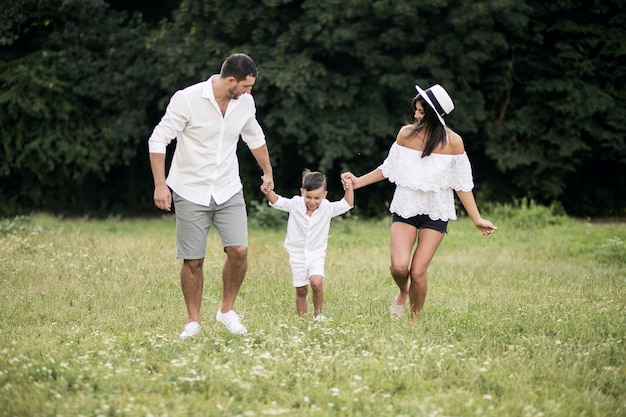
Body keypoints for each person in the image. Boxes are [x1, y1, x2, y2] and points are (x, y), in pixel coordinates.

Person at [342, 84, 496, 323]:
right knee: (399, 267)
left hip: (435, 212)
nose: (415, 115)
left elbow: (463, 184)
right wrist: (357, 182)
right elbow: (388, 168)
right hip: (406, 206)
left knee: (418, 271)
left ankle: (414, 320)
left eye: (421, 112)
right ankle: (403, 291)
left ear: (435, 115)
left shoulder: (454, 143)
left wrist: (477, 219)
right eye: (416, 110)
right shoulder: (406, 134)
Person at [148, 53, 274, 338]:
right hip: (191, 188)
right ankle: (193, 321)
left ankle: (226, 311)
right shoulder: (187, 99)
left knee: (239, 251)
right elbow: (158, 139)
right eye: (246, 86)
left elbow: (254, 137)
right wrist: (160, 184)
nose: (249, 92)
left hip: (228, 187)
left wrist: (267, 171)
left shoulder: (245, 104)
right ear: (231, 80)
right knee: (193, 260)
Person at [261, 170, 354, 320]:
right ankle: (302, 320)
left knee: (316, 282)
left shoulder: (327, 208)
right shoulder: (295, 204)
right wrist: (268, 191)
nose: (312, 201)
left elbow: (347, 204)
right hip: (296, 254)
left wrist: (349, 187)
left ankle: (318, 316)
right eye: (308, 197)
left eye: (317, 198)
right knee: (301, 289)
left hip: (316, 253)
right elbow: (277, 201)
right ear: (302, 192)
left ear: (324, 195)